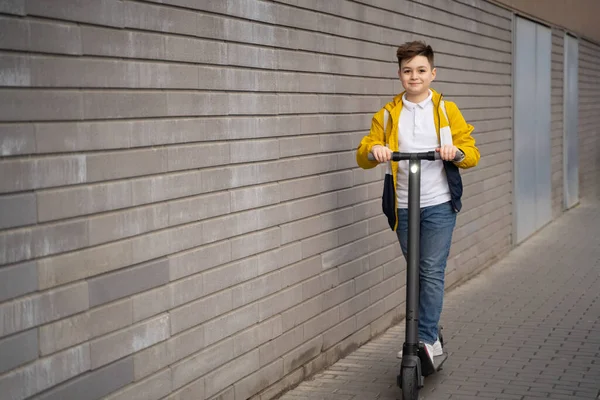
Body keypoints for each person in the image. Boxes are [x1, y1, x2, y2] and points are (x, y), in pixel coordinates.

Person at [356, 41, 480, 363]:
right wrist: (375, 151)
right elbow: (364, 151)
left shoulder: (445, 110)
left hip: (439, 203)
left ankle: (423, 341)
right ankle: (429, 333)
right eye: (408, 71)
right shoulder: (386, 115)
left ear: (432, 73)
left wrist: (457, 152)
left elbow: (471, 151)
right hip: (403, 206)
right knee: (417, 273)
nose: (415, 76)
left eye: (421, 70)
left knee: (430, 270)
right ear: (400, 75)